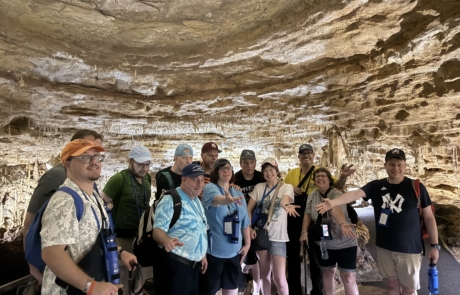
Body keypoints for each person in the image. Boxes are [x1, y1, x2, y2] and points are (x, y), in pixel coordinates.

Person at [316, 148, 440, 295]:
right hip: (385, 247)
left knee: (409, 290)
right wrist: (333, 203)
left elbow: (428, 217)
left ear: (405, 166)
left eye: (400, 164)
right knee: (392, 287)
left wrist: (434, 245)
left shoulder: (416, 187)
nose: (396, 168)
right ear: (385, 165)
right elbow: (355, 194)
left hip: (409, 249)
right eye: (392, 164)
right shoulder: (376, 186)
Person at [40, 139, 137, 295]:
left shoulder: (93, 197)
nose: (94, 162)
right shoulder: (65, 200)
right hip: (68, 290)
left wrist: (120, 252)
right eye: (84, 157)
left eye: (97, 156)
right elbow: (52, 254)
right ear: (68, 164)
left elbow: (96, 237)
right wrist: (90, 286)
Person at [23, 129, 103, 284]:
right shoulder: (56, 178)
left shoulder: (88, 186)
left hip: (85, 274)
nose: (94, 160)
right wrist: (32, 265)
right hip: (64, 282)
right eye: (86, 154)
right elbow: (31, 222)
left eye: (97, 153)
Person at [284, 143, 354, 295]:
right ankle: (295, 290)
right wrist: (290, 188)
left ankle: (318, 290)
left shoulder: (320, 172)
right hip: (297, 218)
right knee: (294, 255)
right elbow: (284, 191)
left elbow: (336, 186)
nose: (306, 156)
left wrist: (342, 177)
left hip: (318, 218)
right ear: (299, 157)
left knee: (317, 258)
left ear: (313, 155)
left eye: (309, 153)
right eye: (303, 153)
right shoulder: (292, 174)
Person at [101, 145, 153, 295]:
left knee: (139, 274)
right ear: (130, 161)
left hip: (140, 236)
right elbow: (102, 205)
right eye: (140, 164)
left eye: (147, 164)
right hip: (122, 237)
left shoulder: (147, 178)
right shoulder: (119, 179)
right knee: (122, 276)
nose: (144, 168)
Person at [152, 164, 209, 295]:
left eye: (202, 179)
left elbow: (200, 228)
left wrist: (202, 254)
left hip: (193, 267)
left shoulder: (195, 200)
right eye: (195, 179)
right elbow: (157, 231)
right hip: (176, 266)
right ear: (183, 180)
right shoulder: (170, 199)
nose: (200, 184)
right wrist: (167, 241)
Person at [300, 168, 358, 295]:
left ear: (329, 179)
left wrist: (342, 223)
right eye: (317, 176)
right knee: (327, 272)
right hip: (325, 243)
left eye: (323, 176)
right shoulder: (312, 196)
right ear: (314, 181)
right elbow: (307, 214)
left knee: (348, 277)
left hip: (345, 240)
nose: (320, 178)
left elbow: (337, 209)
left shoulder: (336, 194)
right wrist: (304, 232)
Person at [247, 157, 299, 295]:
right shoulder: (259, 188)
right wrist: (250, 227)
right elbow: (249, 209)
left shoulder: (286, 187)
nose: (268, 173)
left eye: (271, 170)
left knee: (279, 277)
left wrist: (287, 206)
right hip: (260, 235)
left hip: (278, 237)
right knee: (264, 275)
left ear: (277, 171)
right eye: (265, 170)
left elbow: (284, 200)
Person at [200, 158, 251, 295]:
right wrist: (226, 200)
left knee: (232, 287)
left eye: (228, 168)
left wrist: (247, 244)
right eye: (222, 168)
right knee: (210, 289)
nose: (226, 171)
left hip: (234, 252)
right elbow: (217, 200)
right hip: (214, 252)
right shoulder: (210, 188)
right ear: (216, 172)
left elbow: (245, 222)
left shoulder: (237, 193)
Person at [233, 149, 265, 293]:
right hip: (241, 221)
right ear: (240, 163)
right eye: (245, 162)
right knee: (247, 260)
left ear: (255, 163)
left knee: (259, 259)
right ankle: (244, 281)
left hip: (260, 222)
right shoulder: (235, 178)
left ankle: (256, 289)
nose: (249, 165)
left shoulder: (261, 177)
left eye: (251, 162)